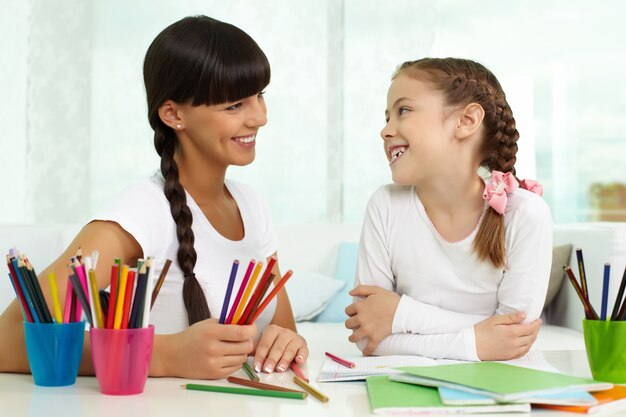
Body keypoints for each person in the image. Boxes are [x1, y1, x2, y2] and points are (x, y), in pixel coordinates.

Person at [0, 15, 307, 379]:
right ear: (174, 114)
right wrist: (161, 355)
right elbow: (7, 339)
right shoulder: (141, 212)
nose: (260, 117)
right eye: (234, 105)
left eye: (259, 95)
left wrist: (286, 343)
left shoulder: (251, 206)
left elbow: (284, 330)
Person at [344, 57, 552, 361]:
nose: (385, 131)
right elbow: (368, 338)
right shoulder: (385, 205)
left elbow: (512, 338)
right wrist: (477, 342)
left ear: (466, 121)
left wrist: (399, 313)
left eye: (403, 111)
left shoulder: (525, 214)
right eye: (387, 117)